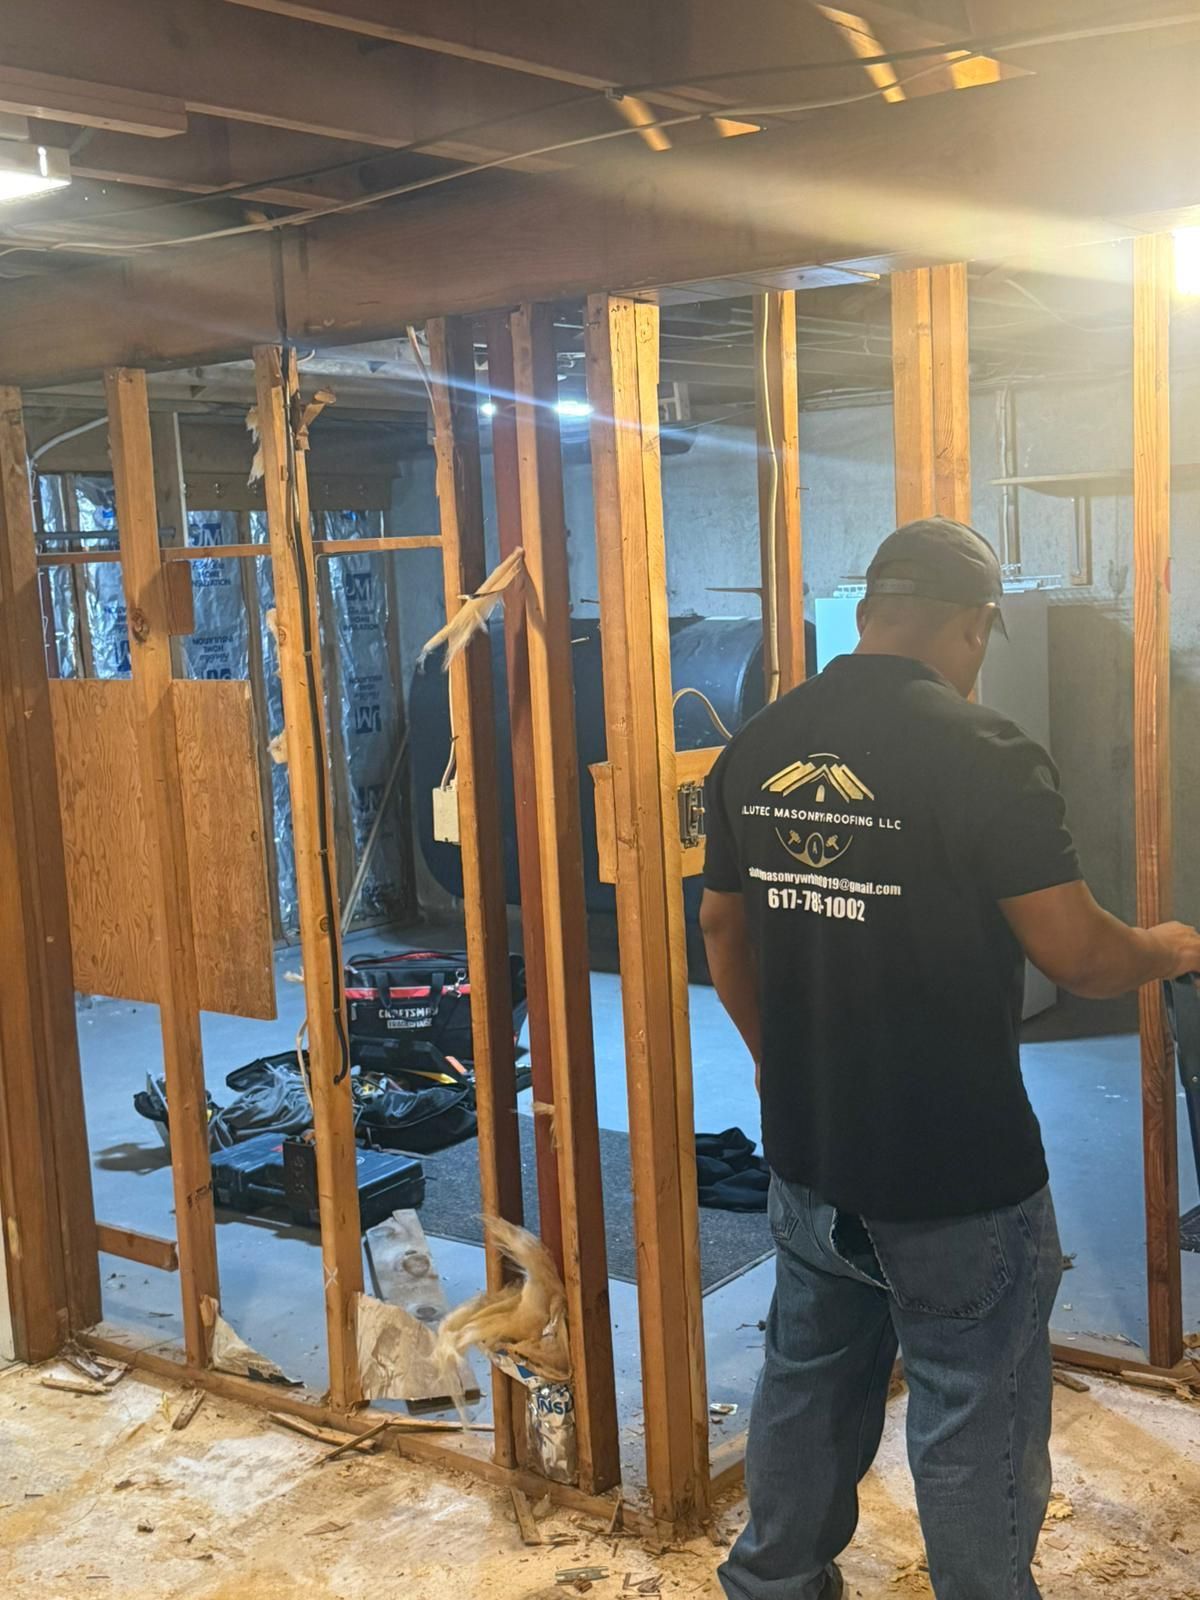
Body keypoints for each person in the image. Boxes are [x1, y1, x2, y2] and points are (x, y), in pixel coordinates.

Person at [700, 517, 1200, 1600]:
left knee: (806, 1377)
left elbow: (723, 933)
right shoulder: (989, 755)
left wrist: (778, 1061)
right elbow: (1074, 951)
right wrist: (1166, 946)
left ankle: (774, 1583)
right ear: (975, 628)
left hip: (811, 1150)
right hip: (958, 1173)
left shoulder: (761, 742)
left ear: (873, 609)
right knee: (973, 1405)